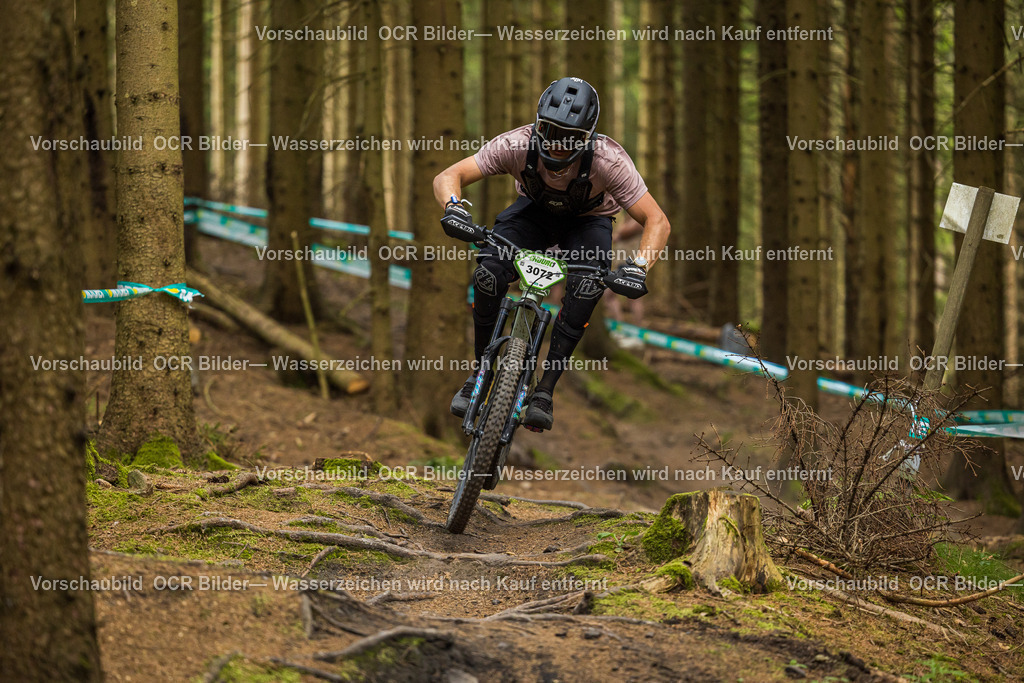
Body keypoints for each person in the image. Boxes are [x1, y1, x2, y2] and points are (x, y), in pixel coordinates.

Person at [433, 76, 671, 431]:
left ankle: (545, 390)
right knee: (488, 273)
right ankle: (481, 370)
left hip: (589, 221)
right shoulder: (516, 143)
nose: (558, 145)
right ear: (538, 123)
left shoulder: (610, 161)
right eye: (550, 130)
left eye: (570, 137)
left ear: (587, 136)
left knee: (586, 289)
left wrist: (638, 267)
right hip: (533, 214)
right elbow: (451, 174)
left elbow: (657, 220)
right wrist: (454, 207)